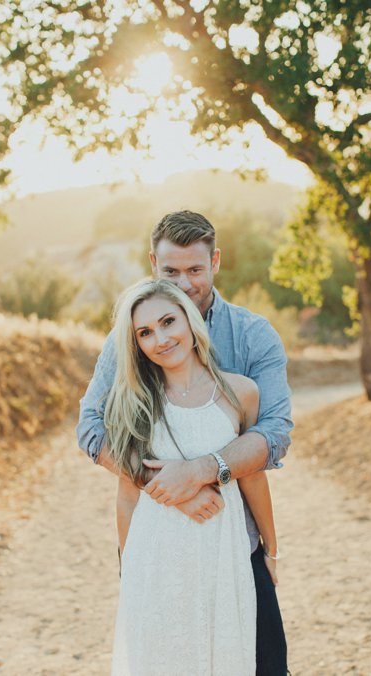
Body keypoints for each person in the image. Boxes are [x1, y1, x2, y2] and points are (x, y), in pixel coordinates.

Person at [77, 211, 291, 675]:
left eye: (195, 270)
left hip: (237, 542)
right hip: (158, 546)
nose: (184, 282)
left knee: (264, 665)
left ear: (215, 262)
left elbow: (272, 437)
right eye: (171, 271)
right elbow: (92, 429)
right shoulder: (130, 342)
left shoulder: (253, 338)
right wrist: (170, 490)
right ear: (154, 264)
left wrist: (198, 472)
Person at [107, 278, 276, 674]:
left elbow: (251, 476)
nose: (160, 339)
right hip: (157, 557)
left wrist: (271, 550)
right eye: (145, 333)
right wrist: (131, 570)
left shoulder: (241, 393)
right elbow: (128, 495)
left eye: (168, 322)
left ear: (190, 320)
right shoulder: (135, 403)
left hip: (223, 552)